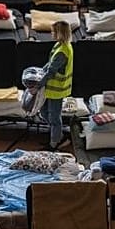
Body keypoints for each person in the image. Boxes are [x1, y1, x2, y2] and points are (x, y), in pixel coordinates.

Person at [39, 20, 75, 150]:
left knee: (54, 117)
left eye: (53, 31)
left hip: (56, 90)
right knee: (44, 112)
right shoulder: (60, 45)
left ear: (59, 33)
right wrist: (39, 72)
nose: (51, 33)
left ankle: (55, 143)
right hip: (51, 88)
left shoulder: (62, 51)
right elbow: (50, 64)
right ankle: (59, 134)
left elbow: (51, 71)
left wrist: (37, 85)